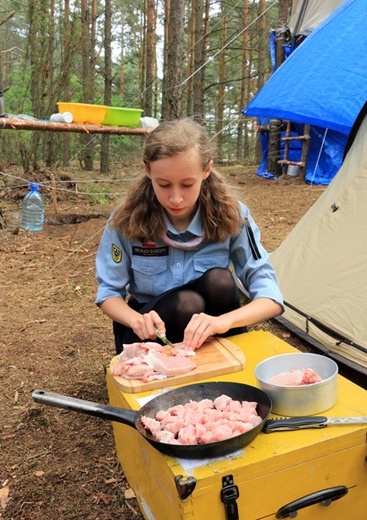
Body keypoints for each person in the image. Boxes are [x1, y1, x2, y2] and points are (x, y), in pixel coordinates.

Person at [95, 119, 283, 354]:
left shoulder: (234, 216)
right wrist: (135, 320)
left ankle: (223, 358)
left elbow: (271, 297)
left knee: (220, 281)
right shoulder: (126, 219)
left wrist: (222, 322)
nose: (176, 199)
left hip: (210, 332)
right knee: (187, 303)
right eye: (163, 184)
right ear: (147, 170)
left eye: (187, 184)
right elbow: (108, 293)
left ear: (206, 171)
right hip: (148, 333)